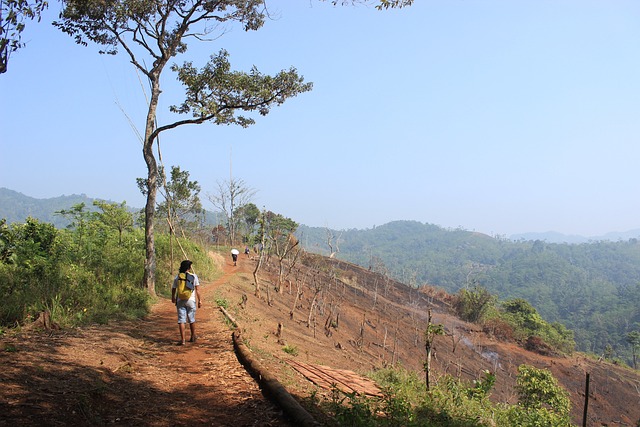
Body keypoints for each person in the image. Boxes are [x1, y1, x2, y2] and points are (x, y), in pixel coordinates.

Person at [171, 260, 201, 345]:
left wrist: (173, 297)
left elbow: (174, 288)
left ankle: (183, 340)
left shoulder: (178, 277)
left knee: (181, 320)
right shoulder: (194, 276)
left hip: (180, 300)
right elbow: (197, 290)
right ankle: (193, 336)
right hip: (191, 300)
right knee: (191, 319)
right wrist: (200, 300)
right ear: (189, 267)